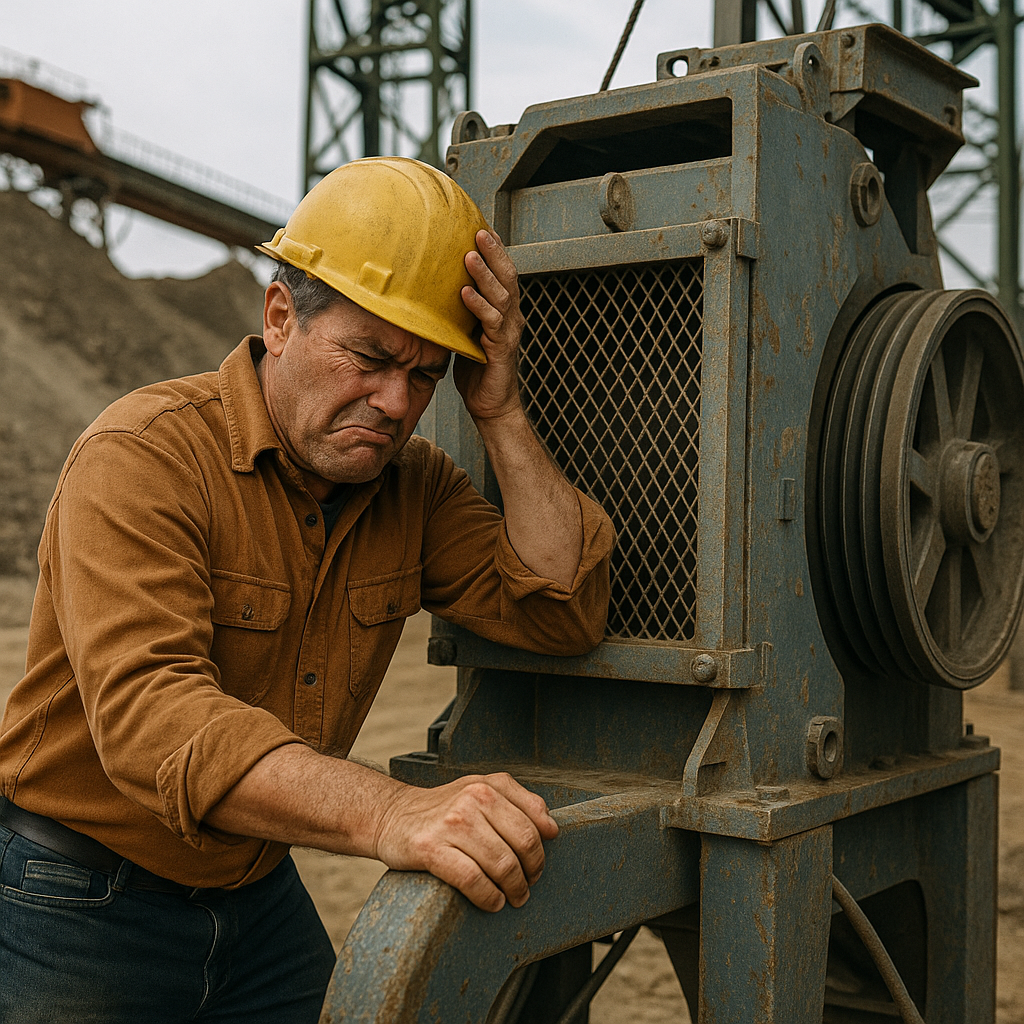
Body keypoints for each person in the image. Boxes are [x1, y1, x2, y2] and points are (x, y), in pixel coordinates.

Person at [0, 157, 613, 1022]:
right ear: (281, 317)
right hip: (78, 900)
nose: (395, 402)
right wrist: (394, 812)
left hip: (255, 896)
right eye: (368, 358)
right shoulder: (142, 457)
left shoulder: (414, 487)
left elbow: (563, 607)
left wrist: (499, 412)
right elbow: (154, 719)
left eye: (426, 376)